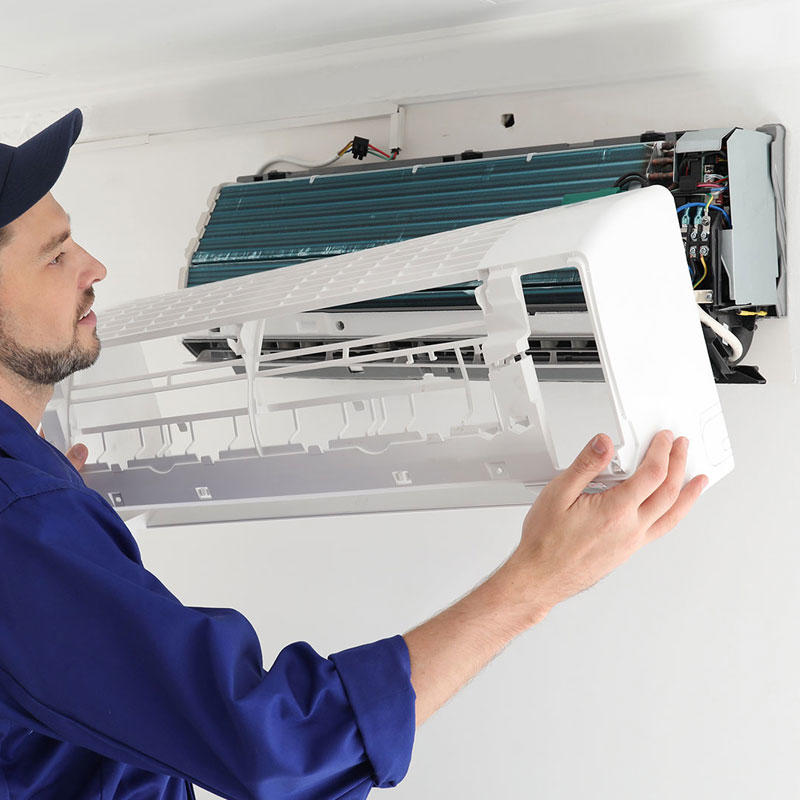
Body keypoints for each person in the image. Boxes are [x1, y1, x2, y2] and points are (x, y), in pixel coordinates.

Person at [0, 109, 708, 799]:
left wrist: (56, 520)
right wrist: (536, 583)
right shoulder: (21, 523)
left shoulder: (31, 507)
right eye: (55, 255)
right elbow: (282, 750)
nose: (94, 267)